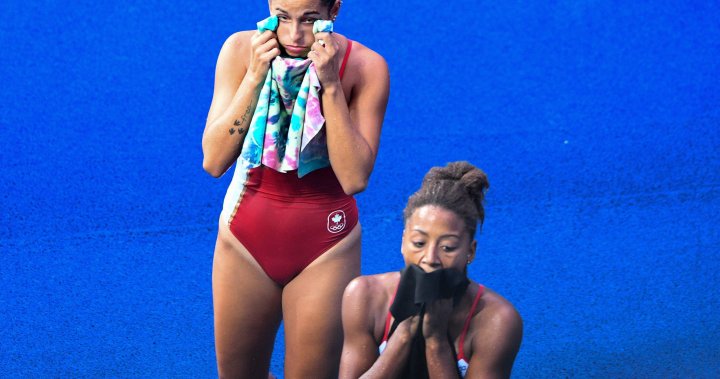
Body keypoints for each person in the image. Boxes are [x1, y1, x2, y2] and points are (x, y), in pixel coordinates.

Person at [201, 0, 390, 377]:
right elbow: (214, 161)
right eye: (282, 17)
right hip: (244, 239)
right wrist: (255, 74)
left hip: (327, 245)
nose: (294, 36)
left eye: (309, 20)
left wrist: (332, 85)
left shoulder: (368, 67)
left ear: (334, 10)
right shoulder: (239, 50)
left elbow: (354, 178)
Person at [339, 162, 523, 378]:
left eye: (447, 247)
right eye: (419, 243)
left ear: (470, 252)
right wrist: (405, 332)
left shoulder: (497, 319)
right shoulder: (365, 295)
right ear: (403, 241)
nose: (430, 259)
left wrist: (435, 341)